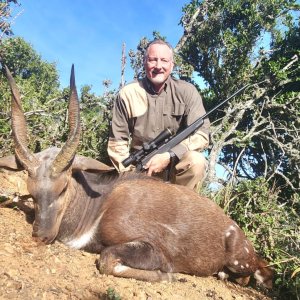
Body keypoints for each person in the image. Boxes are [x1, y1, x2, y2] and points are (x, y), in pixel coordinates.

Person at [107, 39, 210, 190]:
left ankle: (181, 207)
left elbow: (202, 135)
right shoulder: (128, 93)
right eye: (153, 60)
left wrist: (169, 156)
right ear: (144, 62)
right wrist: (130, 176)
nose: (158, 66)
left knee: (196, 161)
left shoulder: (187, 91)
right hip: (139, 171)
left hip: (175, 166)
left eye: (164, 60)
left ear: (172, 65)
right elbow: (117, 143)